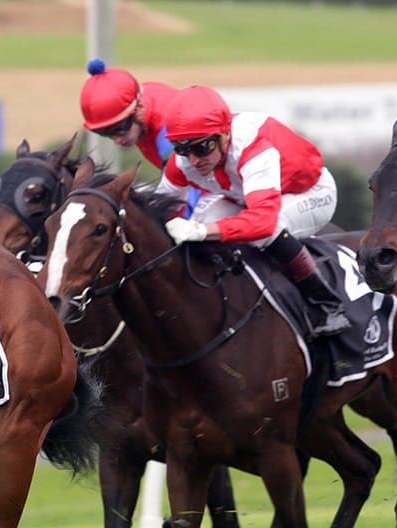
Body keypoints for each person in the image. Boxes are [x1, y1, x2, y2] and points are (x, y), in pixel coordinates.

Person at [155, 85, 348, 337]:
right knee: (206, 222)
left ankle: (328, 304)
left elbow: (263, 222)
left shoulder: (253, 148)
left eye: (202, 148)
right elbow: (160, 208)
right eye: (182, 149)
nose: (193, 160)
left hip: (310, 193)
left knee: (258, 233)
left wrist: (200, 230)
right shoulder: (184, 161)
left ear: (224, 135)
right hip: (246, 196)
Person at [79, 59, 183, 169]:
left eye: (120, 130)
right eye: (106, 134)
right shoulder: (140, 103)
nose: (117, 141)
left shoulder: (168, 132)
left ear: (138, 110)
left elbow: (185, 183)